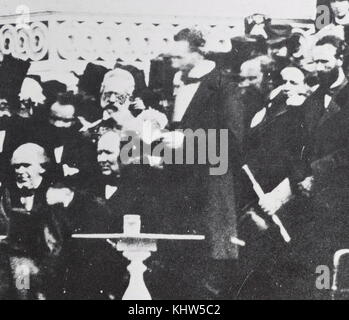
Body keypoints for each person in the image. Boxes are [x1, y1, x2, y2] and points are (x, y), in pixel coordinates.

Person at [0, 143, 66, 300]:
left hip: (47, 267)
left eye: (26, 165)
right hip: (14, 266)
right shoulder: (6, 196)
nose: (20, 171)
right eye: (16, 167)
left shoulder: (55, 195)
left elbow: (57, 241)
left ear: (42, 168)